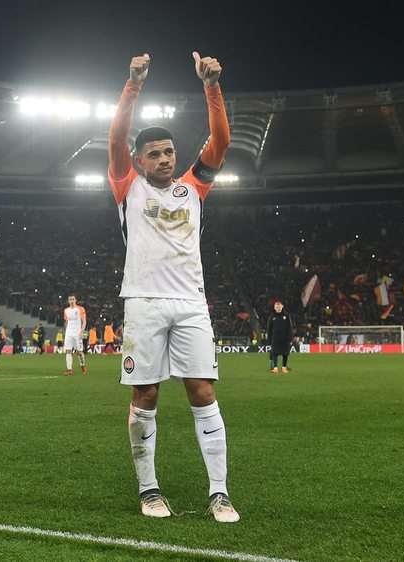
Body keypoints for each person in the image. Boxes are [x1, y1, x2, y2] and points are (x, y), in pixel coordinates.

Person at [108, 51, 238, 522]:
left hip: (190, 303)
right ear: (138, 161)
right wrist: (133, 84)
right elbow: (117, 136)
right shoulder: (127, 185)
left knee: (202, 392)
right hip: (143, 302)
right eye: (155, 154)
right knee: (145, 396)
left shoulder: (193, 187)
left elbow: (221, 142)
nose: (164, 159)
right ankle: (149, 490)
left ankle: (219, 492)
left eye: (169, 152)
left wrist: (211, 87)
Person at [62, 295, 88, 375]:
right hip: (69, 333)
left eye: (73, 299)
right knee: (68, 351)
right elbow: (67, 322)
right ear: (68, 301)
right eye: (70, 299)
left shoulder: (80, 309)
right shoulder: (66, 310)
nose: (71, 301)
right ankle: (69, 369)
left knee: (79, 352)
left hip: (77, 333)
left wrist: (82, 332)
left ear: (75, 300)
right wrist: (66, 332)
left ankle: (82, 365)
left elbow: (84, 321)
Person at [266, 301, 293, 373]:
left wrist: (290, 337)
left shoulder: (286, 316)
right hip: (275, 338)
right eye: (277, 307)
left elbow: (289, 327)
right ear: (274, 308)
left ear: (282, 307)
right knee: (274, 353)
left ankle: (284, 367)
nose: (278, 308)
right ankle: (275, 368)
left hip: (285, 338)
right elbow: (269, 328)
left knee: (285, 353)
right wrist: (269, 338)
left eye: (279, 307)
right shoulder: (272, 316)